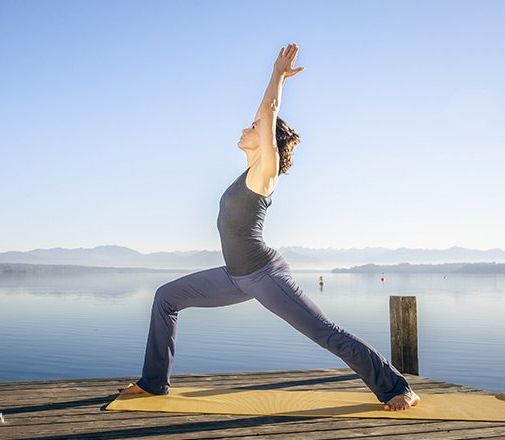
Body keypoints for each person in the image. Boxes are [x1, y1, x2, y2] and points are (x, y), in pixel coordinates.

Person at [120, 43, 419, 411]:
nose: (247, 126)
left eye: (254, 127)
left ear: (266, 141)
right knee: (166, 297)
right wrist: (272, 89)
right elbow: (265, 114)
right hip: (234, 276)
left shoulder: (265, 173)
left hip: (265, 275)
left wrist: (277, 74)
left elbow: (269, 111)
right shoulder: (247, 172)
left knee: (327, 334)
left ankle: (396, 387)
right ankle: (153, 383)